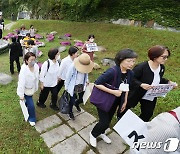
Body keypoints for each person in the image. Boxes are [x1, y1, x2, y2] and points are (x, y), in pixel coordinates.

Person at [89, 49, 137, 148]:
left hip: (116, 101)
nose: (131, 64)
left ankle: (101, 133)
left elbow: (127, 87)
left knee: (109, 119)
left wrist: (125, 101)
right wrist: (113, 92)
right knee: (104, 121)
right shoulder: (112, 71)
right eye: (129, 61)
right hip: (105, 99)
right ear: (120, 60)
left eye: (133, 61)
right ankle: (93, 134)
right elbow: (97, 83)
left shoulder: (130, 73)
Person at [119, 45, 177, 122]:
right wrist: (141, 84)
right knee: (126, 107)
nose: (166, 59)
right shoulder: (142, 67)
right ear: (155, 56)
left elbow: (157, 78)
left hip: (150, 94)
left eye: (167, 57)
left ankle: (138, 126)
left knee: (148, 113)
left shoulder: (162, 68)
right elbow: (131, 78)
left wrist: (168, 82)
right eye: (164, 57)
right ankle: (120, 121)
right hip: (136, 92)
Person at [65, 53, 94, 120]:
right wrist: (66, 87)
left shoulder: (87, 66)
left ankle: (77, 103)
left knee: (81, 98)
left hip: (82, 85)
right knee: (72, 100)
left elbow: (86, 75)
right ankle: (70, 111)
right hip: (73, 85)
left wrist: (87, 80)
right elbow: (68, 77)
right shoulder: (73, 66)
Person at [17, 52, 39, 126]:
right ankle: (32, 118)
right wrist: (21, 94)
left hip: (32, 88)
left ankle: (26, 104)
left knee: (29, 102)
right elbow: (21, 83)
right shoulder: (24, 70)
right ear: (26, 61)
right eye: (31, 60)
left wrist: (36, 87)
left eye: (34, 59)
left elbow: (37, 78)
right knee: (32, 105)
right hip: (25, 90)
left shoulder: (36, 66)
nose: (33, 61)